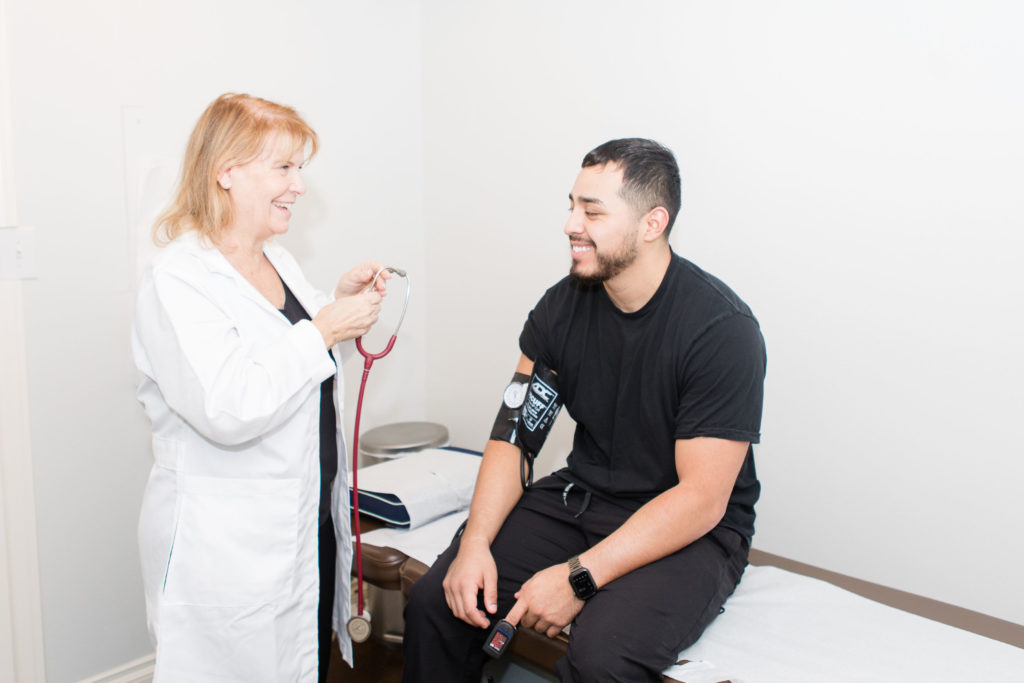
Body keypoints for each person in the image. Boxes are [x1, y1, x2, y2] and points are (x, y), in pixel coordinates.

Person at [402, 138, 766, 682]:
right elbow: (514, 437)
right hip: (584, 499)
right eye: (572, 205)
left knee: (602, 659)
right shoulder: (562, 307)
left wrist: (578, 578)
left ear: (652, 223)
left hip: (689, 527)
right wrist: (474, 543)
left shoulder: (721, 331)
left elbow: (701, 500)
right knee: (439, 600)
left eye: (592, 211)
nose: (572, 224)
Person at [133, 92, 389, 683]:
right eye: (284, 167)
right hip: (227, 547)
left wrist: (332, 305)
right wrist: (323, 329)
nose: (298, 185)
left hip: (304, 525)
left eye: (299, 168)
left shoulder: (274, 259)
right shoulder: (177, 281)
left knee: (303, 663)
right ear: (226, 171)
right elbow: (227, 404)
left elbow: (275, 343)